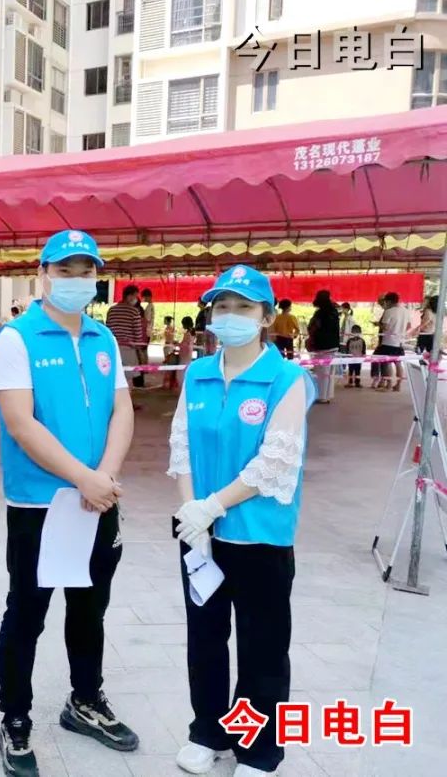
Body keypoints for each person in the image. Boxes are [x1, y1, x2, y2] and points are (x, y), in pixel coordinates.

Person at [0, 230, 138, 776]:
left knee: (90, 607)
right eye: (65, 270)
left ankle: (85, 700)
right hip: (40, 504)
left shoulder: (103, 337)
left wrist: (106, 476)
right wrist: (82, 479)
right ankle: (15, 718)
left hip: (98, 500)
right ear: (43, 274)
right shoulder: (17, 338)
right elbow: (21, 423)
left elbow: (123, 409)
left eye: (86, 271)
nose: (77, 280)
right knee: (27, 613)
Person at [167, 264, 314, 777]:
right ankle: (207, 732)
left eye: (244, 307)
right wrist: (192, 511)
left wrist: (212, 506)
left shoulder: (288, 379)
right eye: (222, 306)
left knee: (262, 646)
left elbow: (274, 461)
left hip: (259, 537)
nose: (230, 315)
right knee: (205, 637)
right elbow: (181, 445)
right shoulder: (197, 375)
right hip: (199, 533)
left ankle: (258, 749)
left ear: (266, 317)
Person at [106, 284, 146, 388]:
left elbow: (108, 329)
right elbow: (138, 332)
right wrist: (138, 347)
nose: (136, 299)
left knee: (114, 377)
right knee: (128, 379)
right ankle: (127, 398)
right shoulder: (134, 311)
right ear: (129, 296)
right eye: (135, 296)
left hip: (112, 348)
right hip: (128, 349)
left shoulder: (111, 310)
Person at [306, 290, 340, 404]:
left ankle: (321, 396)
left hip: (322, 346)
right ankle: (328, 395)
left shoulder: (320, 313)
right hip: (334, 345)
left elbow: (313, 327)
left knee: (321, 373)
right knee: (330, 372)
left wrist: (311, 338)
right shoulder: (334, 312)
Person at [376, 292, 408, 391]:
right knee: (398, 363)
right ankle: (398, 385)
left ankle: (389, 385)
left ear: (389, 301)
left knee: (387, 363)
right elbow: (409, 326)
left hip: (388, 341)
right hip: (400, 341)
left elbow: (385, 327)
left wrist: (378, 324)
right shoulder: (405, 311)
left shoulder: (389, 311)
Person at [178, 315, 196, 388]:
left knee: (182, 371)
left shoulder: (188, 334)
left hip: (185, 353)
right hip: (189, 352)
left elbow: (184, 344)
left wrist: (178, 344)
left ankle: (183, 386)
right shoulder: (192, 333)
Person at [162, 316, 179, 391]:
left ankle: (168, 383)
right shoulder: (170, 328)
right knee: (168, 363)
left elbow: (170, 338)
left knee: (169, 364)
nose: (164, 321)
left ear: (167, 321)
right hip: (168, 345)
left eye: (165, 320)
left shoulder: (169, 328)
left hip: (168, 346)